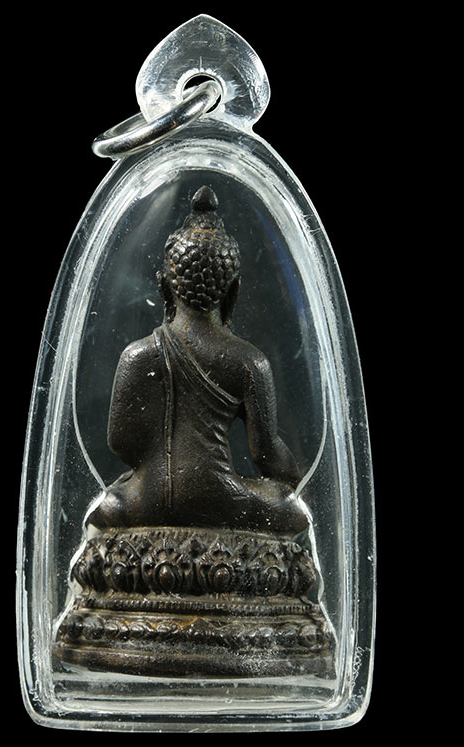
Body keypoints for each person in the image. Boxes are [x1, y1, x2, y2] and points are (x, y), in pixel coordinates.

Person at [86, 186, 308, 537]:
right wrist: (292, 480)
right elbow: (265, 453)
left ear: (163, 287)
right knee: (288, 507)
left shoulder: (136, 355)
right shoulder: (248, 362)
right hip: (221, 497)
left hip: (147, 498)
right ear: (233, 291)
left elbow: (120, 442)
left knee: (108, 504)